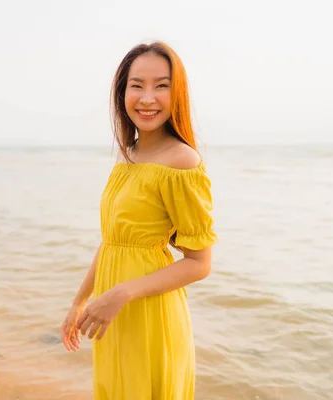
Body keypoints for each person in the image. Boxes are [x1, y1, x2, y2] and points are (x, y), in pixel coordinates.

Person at [60, 41, 219, 399]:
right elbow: (113, 241)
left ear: (176, 93)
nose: (148, 98)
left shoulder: (182, 161)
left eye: (161, 86)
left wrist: (121, 293)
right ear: (122, 92)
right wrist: (80, 301)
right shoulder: (127, 155)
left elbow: (199, 263)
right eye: (137, 85)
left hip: (149, 314)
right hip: (111, 315)